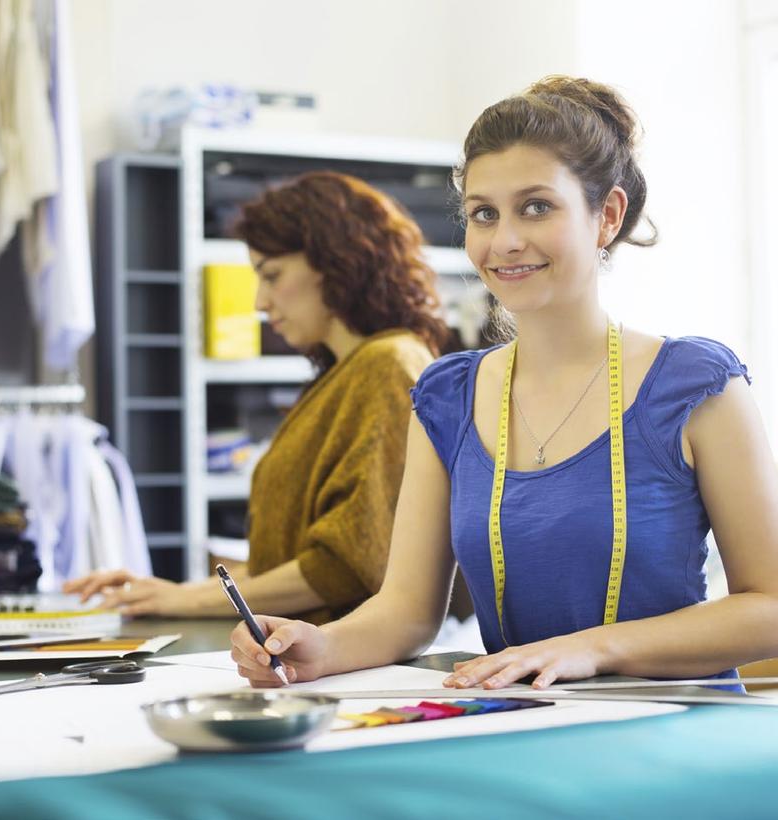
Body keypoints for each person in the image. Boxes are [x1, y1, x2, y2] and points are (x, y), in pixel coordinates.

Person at [230, 76, 778, 690]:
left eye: (536, 207)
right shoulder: (446, 398)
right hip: (523, 727)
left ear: (608, 216)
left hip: (672, 736)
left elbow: (771, 607)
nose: (505, 241)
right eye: (483, 214)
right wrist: (319, 647)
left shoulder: (695, 387)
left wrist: (591, 650)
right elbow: (406, 613)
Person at [64, 171, 455, 621]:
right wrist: (168, 591)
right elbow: (298, 557)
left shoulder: (388, 366)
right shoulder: (350, 372)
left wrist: (182, 601)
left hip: (342, 664)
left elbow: (348, 564)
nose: (259, 303)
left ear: (337, 262)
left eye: (272, 275)